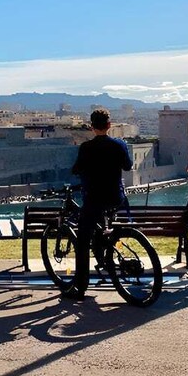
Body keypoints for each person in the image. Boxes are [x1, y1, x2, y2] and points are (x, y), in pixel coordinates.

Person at [64, 109, 132, 301]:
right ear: (109, 125)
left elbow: (77, 169)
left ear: (92, 127)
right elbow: (127, 166)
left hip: (94, 199)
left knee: (82, 241)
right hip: (115, 198)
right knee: (101, 227)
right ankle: (103, 250)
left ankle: (80, 287)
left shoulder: (86, 148)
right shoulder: (120, 145)